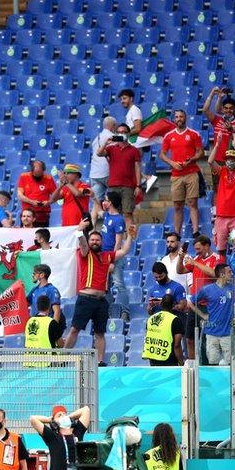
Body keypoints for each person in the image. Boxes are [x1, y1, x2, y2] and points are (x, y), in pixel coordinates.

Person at [64, 226, 134, 365]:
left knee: (100, 333)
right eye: (92, 239)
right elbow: (83, 244)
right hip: (85, 298)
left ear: (101, 242)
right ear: (89, 241)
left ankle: (100, 361)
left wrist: (130, 236)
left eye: (97, 240)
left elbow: (124, 251)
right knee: (74, 329)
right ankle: (63, 357)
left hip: (101, 300)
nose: (95, 242)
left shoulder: (107, 255)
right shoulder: (84, 253)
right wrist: (80, 232)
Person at [177, 235, 224, 360]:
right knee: (190, 338)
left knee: (207, 339)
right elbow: (180, 271)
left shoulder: (216, 258)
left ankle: (207, 365)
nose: (197, 252)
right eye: (196, 249)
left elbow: (215, 274)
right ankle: (192, 364)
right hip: (194, 305)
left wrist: (195, 263)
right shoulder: (197, 259)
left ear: (207, 246)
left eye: (199, 249)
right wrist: (180, 257)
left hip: (209, 306)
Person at [160, 109, 204, 237]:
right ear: (174, 119)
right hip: (176, 174)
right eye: (177, 117)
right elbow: (162, 154)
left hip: (191, 172)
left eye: (181, 116)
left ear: (185, 118)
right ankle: (177, 233)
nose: (179, 119)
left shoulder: (194, 134)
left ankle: (196, 231)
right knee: (177, 205)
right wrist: (172, 163)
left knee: (192, 203)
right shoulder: (169, 136)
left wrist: (191, 160)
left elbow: (200, 152)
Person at [28, 405, 91, 470]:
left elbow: (86, 410)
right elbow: (33, 419)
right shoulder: (52, 436)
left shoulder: (77, 432)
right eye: (59, 415)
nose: (63, 416)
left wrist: (69, 417)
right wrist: (50, 420)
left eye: (64, 414)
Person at [97, 123, 143, 223]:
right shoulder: (111, 148)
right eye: (119, 132)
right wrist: (106, 142)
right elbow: (99, 153)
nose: (121, 134)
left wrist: (138, 186)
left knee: (128, 214)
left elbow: (137, 168)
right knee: (113, 213)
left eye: (124, 132)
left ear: (129, 134)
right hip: (113, 185)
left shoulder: (134, 150)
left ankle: (131, 237)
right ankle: (116, 237)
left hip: (128, 186)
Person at [191, 264, 235, 365]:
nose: (232, 274)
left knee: (230, 364)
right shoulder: (207, 289)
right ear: (222, 274)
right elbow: (191, 302)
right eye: (229, 272)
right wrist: (203, 315)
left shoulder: (233, 288)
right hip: (212, 333)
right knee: (213, 363)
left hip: (227, 333)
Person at [208, 147, 235, 255]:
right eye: (228, 159)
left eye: (233, 159)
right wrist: (217, 145)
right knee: (220, 249)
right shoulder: (222, 170)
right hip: (221, 215)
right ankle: (222, 269)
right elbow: (210, 161)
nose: (230, 161)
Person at [100, 192, 129, 320]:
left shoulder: (119, 219)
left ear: (110, 202)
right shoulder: (107, 215)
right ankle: (109, 309)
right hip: (103, 256)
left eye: (105, 200)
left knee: (119, 284)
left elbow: (118, 241)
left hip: (114, 257)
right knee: (106, 285)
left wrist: (112, 259)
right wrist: (94, 198)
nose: (104, 202)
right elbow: (97, 210)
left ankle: (125, 312)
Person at [202, 88, 235, 167]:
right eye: (226, 108)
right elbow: (205, 110)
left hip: (233, 160)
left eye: (231, 108)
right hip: (217, 160)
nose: (228, 110)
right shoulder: (217, 120)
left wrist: (232, 130)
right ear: (223, 109)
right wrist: (211, 94)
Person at [142, 294, 185, 366]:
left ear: (161, 304)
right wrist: (181, 363)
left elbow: (148, 338)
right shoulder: (175, 320)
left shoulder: (151, 318)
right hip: (169, 360)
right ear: (173, 304)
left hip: (153, 359)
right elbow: (177, 345)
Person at [17, 160, 57, 227]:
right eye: (35, 174)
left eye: (39, 174)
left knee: (42, 235)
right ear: (32, 171)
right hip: (27, 214)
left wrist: (48, 202)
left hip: (43, 215)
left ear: (43, 171)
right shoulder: (23, 176)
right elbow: (20, 195)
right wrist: (31, 202)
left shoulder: (49, 178)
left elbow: (56, 196)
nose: (37, 177)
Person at [89, 116, 117, 201]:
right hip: (107, 172)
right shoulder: (113, 137)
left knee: (97, 203)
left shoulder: (96, 138)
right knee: (114, 200)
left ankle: (97, 214)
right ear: (113, 125)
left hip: (95, 173)